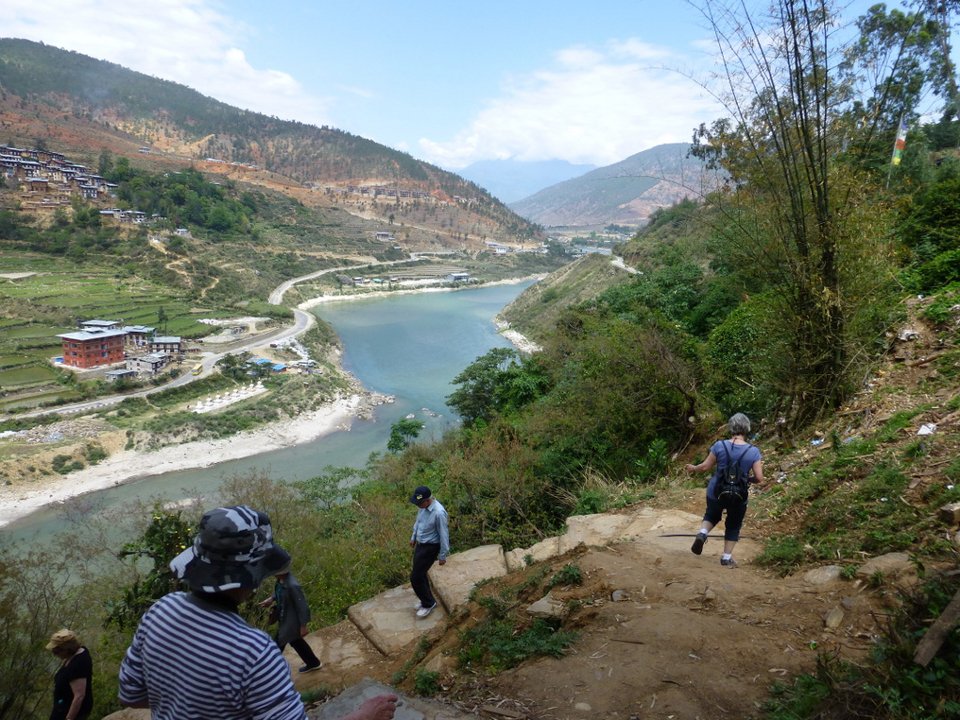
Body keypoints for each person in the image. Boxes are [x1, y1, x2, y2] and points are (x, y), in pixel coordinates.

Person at [119, 505, 397, 720]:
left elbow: (131, 695)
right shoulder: (252, 650)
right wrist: (363, 716)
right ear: (251, 575)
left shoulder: (160, 611)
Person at [685, 413, 765, 568]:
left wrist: (693, 468)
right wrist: (748, 480)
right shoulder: (753, 451)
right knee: (734, 523)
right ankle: (726, 558)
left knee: (712, 514)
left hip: (716, 490)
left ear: (731, 427)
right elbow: (759, 478)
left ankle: (702, 533)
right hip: (739, 494)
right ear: (747, 428)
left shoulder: (719, 446)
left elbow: (705, 466)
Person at [259, 553, 323, 673]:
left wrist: (303, 626)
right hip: (285, 618)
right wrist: (271, 599)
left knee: (278, 643)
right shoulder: (281, 581)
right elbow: (279, 592)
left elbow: (302, 606)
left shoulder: (293, 586)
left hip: (291, 621)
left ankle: (269, 669)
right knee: (296, 642)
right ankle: (313, 662)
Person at [408, 485, 449, 618]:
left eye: (420, 503)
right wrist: (413, 537)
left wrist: (443, 555)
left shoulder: (438, 513)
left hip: (431, 547)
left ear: (427, 500)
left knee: (415, 577)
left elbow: (444, 535)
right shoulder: (422, 508)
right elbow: (418, 522)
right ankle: (427, 599)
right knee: (420, 573)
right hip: (421, 545)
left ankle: (428, 603)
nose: (418, 505)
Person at [47, 629, 92, 720]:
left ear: (67, 649)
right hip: (62, 708)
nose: (55, 654)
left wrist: (69, 718)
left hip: (70, 712)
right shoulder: (75, 655)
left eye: (56, 651)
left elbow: (79, 696)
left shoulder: (78, 664)